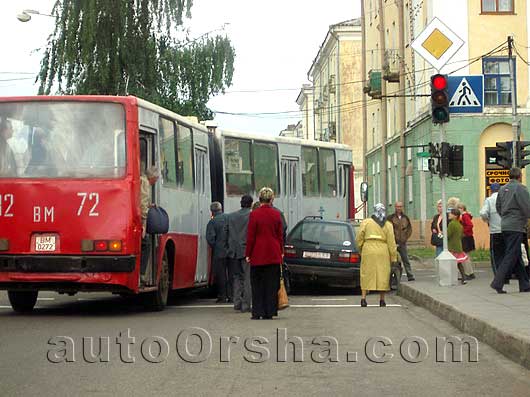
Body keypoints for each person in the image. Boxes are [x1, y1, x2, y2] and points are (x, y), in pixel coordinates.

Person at [245, 187, 283, 320]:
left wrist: (248, 253)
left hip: (257, 253)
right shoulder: (276, 214)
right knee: (271, 284)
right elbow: (279, 236)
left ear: (259, 199)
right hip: (273, 252)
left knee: (257, 284)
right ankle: (269, 311)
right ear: (271, 199)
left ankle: (257, 312)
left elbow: (251, 236)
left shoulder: (254, 214)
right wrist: (281, 252)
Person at [491, 167, 530, 294]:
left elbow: (498, 206)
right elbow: (526, 206)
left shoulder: (502, 189)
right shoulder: (521, 188)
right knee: (511, 254)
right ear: (520, 176)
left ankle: (524, 284)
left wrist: (506, 216)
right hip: (516, 225)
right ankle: (498, 282)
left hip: (505, 225)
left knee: (516, 254)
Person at [356, 203, 398, 307]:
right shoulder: (388, 225)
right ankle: (382, 300)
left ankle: (363, 298)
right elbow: (391, 243)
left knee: (366, 273)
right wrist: (393, 257)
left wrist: (361, 248)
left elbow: (359, 238)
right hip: (382, 250)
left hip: (368, 249)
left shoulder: (366, 222)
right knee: (382, 274)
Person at [227, 195, 253, 313]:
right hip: (247, 250)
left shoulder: (231, 216)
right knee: (247, 278)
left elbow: (226, 232)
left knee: (237, 277)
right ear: (251, 203)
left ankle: (237, 302)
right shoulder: (252, 215)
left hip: (234, 251)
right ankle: (246, 305)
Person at [206, 202, 231, 303]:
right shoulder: (229, 218)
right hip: (231, 251)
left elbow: (210, 238)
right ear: (221, 209)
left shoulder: (212, 222)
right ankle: (232, 295)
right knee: (231, 274)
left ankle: (222, 296)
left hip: (219, 252)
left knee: (221, 275)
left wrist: (216, 246)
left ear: (212, 211)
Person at [140, 166, 160, 284]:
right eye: (156, 179)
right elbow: (142, 202)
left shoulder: (142, 180)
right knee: (146, 244)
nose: (155, 182)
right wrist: (143, 222)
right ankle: (141, 274)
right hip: (139, 221)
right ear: (152, 177)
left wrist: (149, 205)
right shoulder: (145, 183)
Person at [480, 183, 504, 276]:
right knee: (506, 253)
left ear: (491, 190)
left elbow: (483, 213)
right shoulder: (504, 199)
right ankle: (506, 275)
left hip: (495, 231)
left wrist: (487, 220)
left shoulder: (489, 200)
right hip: (507, 230)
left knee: (496, 255)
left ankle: (498, 275)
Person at [387, 201, 415, 281]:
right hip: (393, 243)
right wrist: (391, 239)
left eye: (400, 206)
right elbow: (387, 229)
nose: (399, 208)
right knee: (392, 260)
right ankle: (391, 277)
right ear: (395, 207)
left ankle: (410, 275)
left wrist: (405, 238)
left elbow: (409, 229)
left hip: (402, 243)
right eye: (397, 206)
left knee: (405, 259)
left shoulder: (405, 218)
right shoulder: (390, 218)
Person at [447, 208, 469, 285]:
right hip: (458, 246)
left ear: (455, 216)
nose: (449, 214)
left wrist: (443, 234)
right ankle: (464, 278)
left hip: (452, 247)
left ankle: (451, 278)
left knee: (451, 263)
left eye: (451, 213)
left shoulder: (451, 224)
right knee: (459, 264)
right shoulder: (460, 225)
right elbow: (461, 235)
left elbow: (448, 235)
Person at [458, 203, 476, 280]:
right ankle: (470, 272)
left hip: (466, 238)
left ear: (463, 209)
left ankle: (468, 273)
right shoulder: (464, 216)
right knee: (466, 256)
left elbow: (470, 225)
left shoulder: (464, 216)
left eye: (459, 208)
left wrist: (463, 232)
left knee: (465, 256)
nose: (458, 210)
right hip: (468, 237)